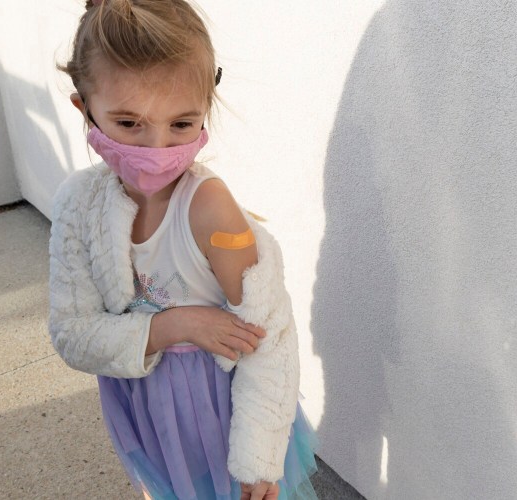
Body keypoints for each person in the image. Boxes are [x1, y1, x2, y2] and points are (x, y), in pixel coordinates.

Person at [49, 1, 318, 498]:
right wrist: (175, 325)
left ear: (206, 107)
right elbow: (71, 331)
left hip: (225, 415)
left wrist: (258, 458)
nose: (156, 150)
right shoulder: (79, 206)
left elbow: (270, 333)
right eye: (129, 124)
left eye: (180, 124)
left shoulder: (209, 210)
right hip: (150, 413)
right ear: (84, 108)